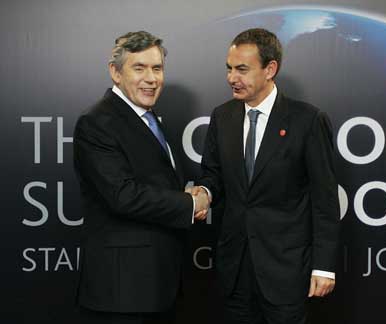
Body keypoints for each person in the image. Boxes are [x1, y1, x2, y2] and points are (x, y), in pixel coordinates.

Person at [194, 28, 340, 324]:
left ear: (270, 69)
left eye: (242, 69)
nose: (231, 77)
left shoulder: (307, 121)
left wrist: (323, 267)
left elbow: (325, 200)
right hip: (234, 271)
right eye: (229, 68)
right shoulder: (222, 117)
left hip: (285, 271)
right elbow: (214, 175)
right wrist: (205, 193)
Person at [73, 31, 209, 323]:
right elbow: (122, 195)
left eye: (157, 68)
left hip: (159, 287)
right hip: (123, 294)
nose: (151, 78)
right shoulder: (97, 122)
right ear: (115, 72)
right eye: (139, 68)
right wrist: (188, 205)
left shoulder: (148, 119)